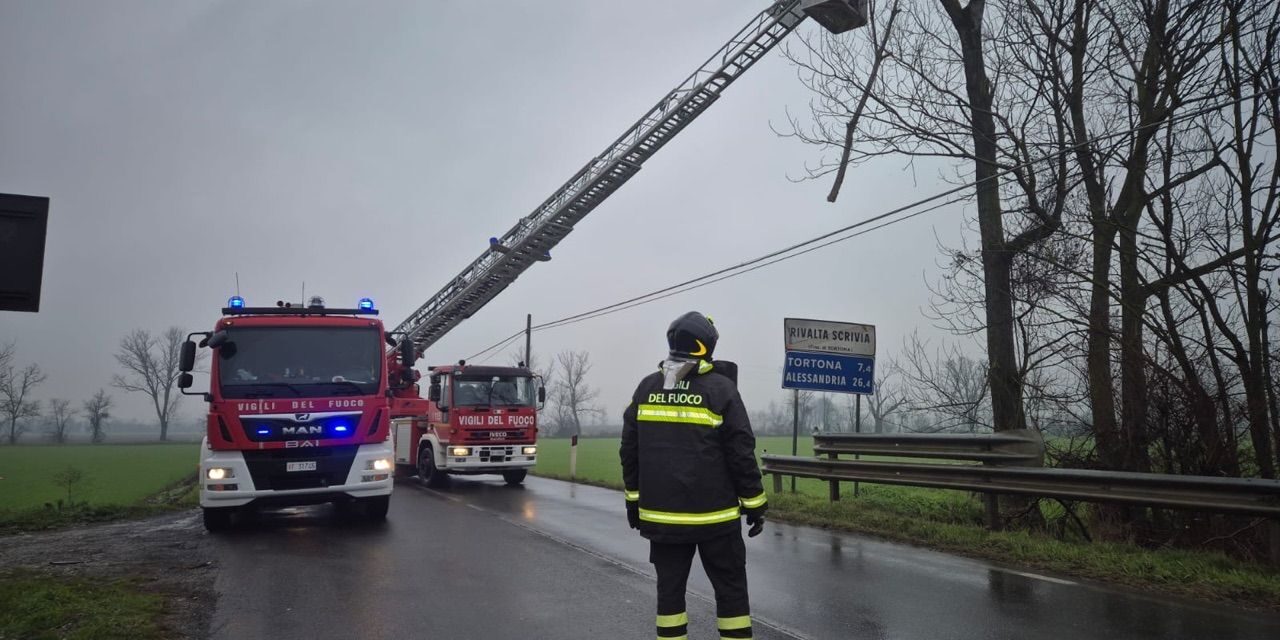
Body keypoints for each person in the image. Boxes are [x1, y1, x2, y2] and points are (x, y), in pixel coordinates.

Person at [620, 311, 767, 640]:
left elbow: (629, 452)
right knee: (730, 592)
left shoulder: (646, 388)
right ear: (707, 345)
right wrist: (755, 504)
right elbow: (740, 453)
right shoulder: (722, 390)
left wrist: (634, 502)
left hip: (663, 519)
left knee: (669, 596)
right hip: (716, 519)